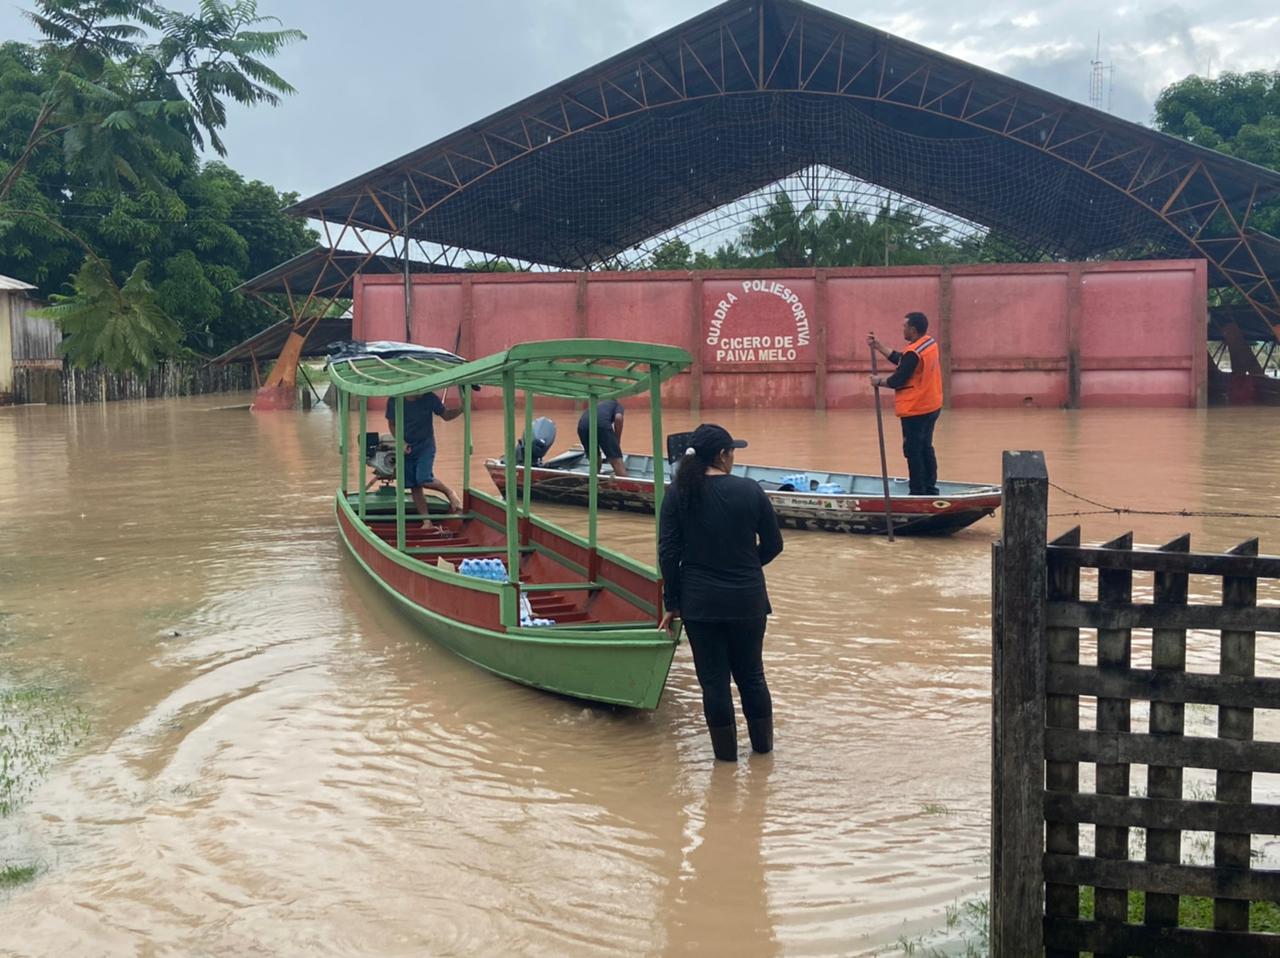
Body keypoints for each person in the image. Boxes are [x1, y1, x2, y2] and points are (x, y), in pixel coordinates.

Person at [658, 424, 783, 762]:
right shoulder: (750, 490)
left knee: (714, 683)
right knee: (752, 676)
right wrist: (746, 568)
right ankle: (763, 756)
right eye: (732, 452)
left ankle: (726, 763)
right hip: (748, 600)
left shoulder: (678, 494)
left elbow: (668, 553)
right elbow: (774, 544)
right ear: (722, 455)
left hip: (700, 603)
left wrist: (672, 602)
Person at [867, 312, 944, 496]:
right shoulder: (929, 344)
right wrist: (879, 346)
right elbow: (902, 360)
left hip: (916, 409)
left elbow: (897, 380)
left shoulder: (915, 352)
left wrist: (878, 382)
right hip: (932, 405)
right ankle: (930, 488)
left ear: (913, 329)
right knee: (926, 447)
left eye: (904, 326)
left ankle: (918, 492)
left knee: (913, 451)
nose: (902, 329)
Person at [386, 389, 463, 530]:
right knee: (414, 485)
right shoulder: (395, 400)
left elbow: (445, 415)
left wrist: (462, 409)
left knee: (423, 478)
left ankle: (449, 492)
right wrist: (401, 442)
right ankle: (426, 521)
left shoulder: (429, 397)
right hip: (406, 446)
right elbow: (392, 424)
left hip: (425, 445)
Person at [576, 399, 628, 477]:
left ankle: (595, 481)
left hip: (582, 426)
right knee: (616, 460)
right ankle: (625, 484)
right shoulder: (616, 404)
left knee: (594, 458)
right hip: (601, 424)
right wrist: (617, 440)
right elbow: (618, 418)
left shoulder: (597, 404)